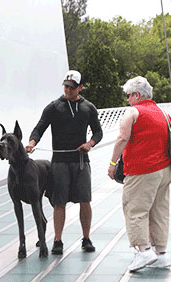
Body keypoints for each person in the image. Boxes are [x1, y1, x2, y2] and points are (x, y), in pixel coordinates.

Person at [26, 70, 103, 255]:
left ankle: (86, 238)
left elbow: (98, 132)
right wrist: (31, 143)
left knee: (85, 200)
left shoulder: (88, 107)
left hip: (81, 161)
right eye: (66, 86)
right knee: (59, 202)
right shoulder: (54, 107)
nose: (68, 90)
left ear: (80, 87)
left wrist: (89, 144)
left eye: (72, 87)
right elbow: (39, 127)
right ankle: (58, 240)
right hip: (59, 162)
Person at [108, 76, 171, 272]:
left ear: (136, 95)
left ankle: (143, 251)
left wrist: (112, 163)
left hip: (141, 171)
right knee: (159, 211)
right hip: (164, 171)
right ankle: (161, 254)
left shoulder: (133, 112)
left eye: (128, 95)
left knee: (135, 210)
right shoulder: (163, 113)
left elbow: (122, 138)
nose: (127, 99)